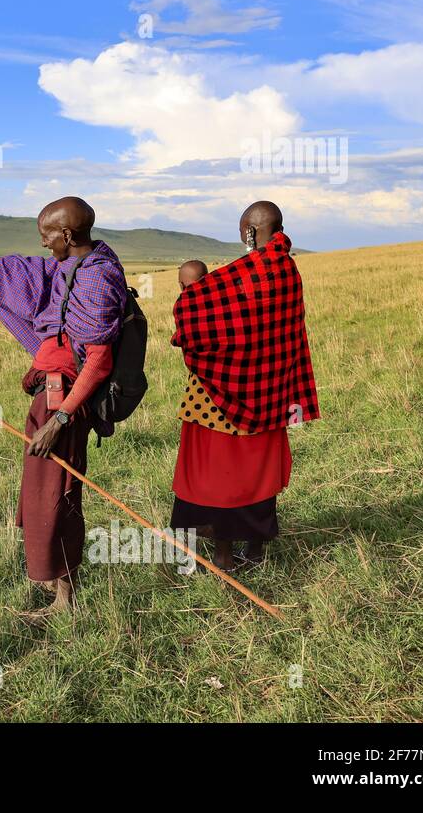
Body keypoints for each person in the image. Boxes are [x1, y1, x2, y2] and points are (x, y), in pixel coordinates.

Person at [0, 196, 127, 618]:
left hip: (65, 406)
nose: (43, 244)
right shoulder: (73, 267)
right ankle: (57, 582)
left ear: (67, 235)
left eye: (47, 235)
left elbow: (99, 362)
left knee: (57, 497)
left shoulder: (95, 280)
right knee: (40, 495)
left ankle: (65, 599)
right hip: (49, 399)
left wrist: (61, 420)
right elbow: (19, 271)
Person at [169, 201, 320, 571]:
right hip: (271, 394)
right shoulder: (287, 268)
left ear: (250, 232)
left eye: (242, 232)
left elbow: (191, 316)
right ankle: (254, 550)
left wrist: (189, 294)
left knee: (221, 474)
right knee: (257, 472)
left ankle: (223, 556)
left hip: (222, 397)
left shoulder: (249, 271)